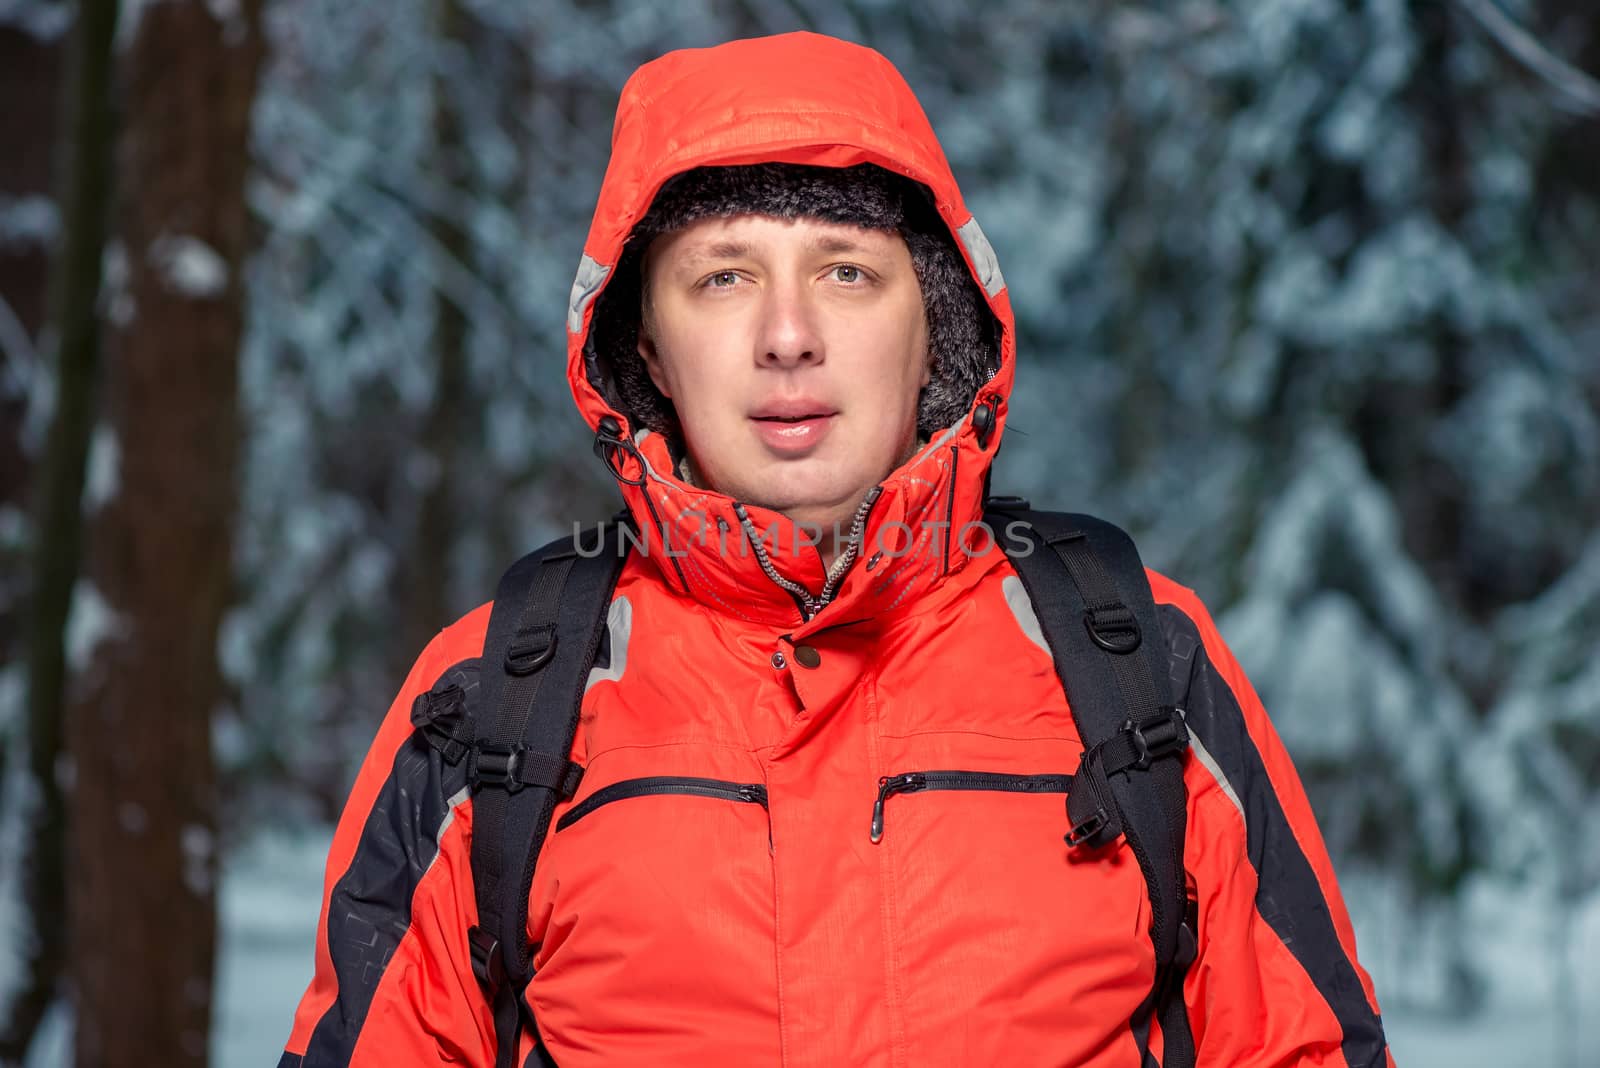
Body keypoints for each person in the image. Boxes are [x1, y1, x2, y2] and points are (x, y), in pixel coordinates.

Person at [278, 31, 1393, 1068]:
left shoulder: (1136, 658)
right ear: (650, 350)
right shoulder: (498, 695)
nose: (787, 334)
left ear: (936, 325)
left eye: (846, 270)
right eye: (723, 276)